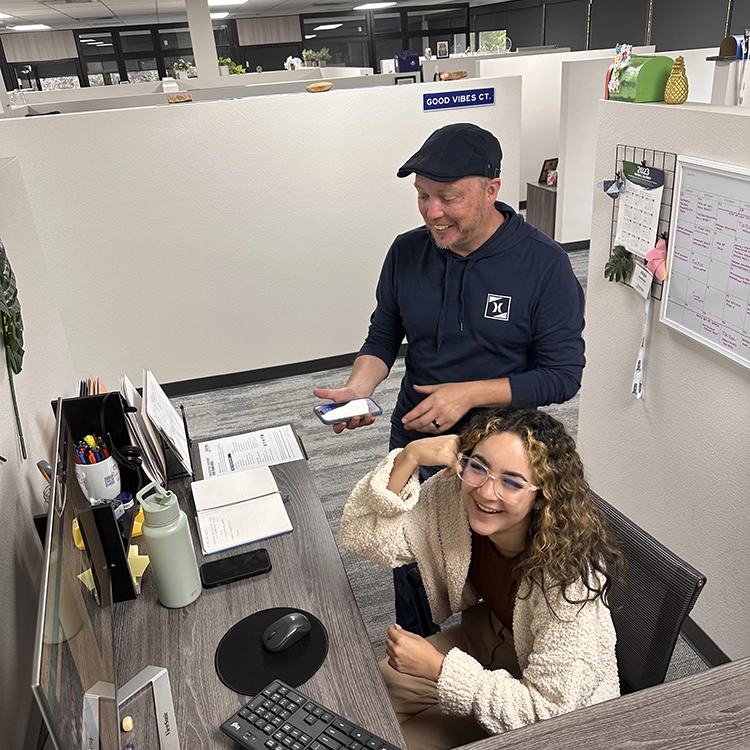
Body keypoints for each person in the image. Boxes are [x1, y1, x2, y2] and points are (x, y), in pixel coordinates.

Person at [314, 123, 586, 633]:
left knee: (494, 570)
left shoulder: (544, 267)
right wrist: (359, 388)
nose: (432, 212)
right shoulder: (406, 252)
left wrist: (469, 395)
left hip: (500, 457)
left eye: (448, 198)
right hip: (415, 436)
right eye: (422, 196)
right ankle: (417, 652)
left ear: (491, 189)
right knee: (411, 557)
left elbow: (563, 376)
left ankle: (496, 662)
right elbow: (383, 337)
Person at [339, 407, 622, 750]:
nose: (487, 492)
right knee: (363, 696)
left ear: (541, 497)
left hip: (550, 701)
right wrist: (410, 457)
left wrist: (441, 671)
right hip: (490, 635)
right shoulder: (457, 496)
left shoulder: (568, 580)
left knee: (387, 740)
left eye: (513, 482)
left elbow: (552, 713)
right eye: (479, 467)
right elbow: (364, 536)